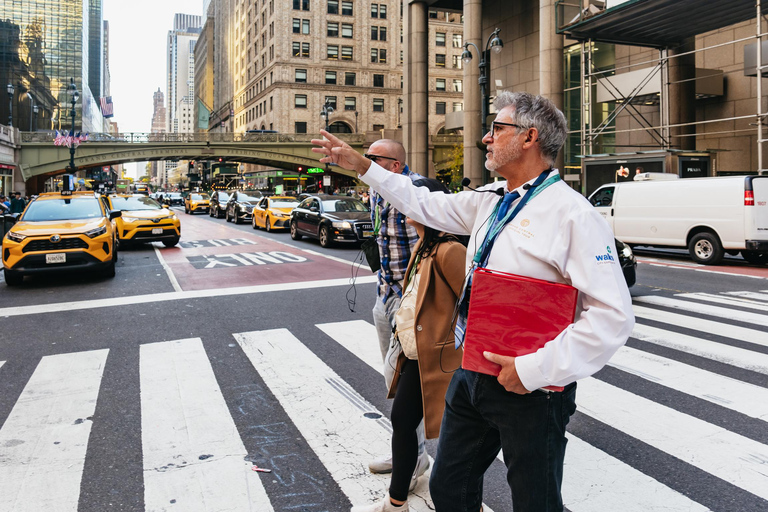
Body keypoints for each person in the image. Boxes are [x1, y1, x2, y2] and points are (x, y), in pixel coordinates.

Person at [312, 91, 634, 512]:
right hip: (472, 373)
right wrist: (364, 167)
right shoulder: (491, 200)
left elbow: (612, 316)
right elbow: (423, 202)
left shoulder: (574, 215)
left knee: (535, 501)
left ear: (529, 137)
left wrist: (532, 369)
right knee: (449, 487)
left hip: (533, 388)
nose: (485, 138)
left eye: (496, 128)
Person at [352, 178, 466, 512]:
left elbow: (472, 305)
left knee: (455, 437)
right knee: (403, 421)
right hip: (415, 354)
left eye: (410, 206)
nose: (403, 214)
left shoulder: (450, 249)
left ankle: (462, 502)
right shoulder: (424, 245)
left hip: (443, 360)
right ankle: (396, 502)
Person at [364, 139, 430, 484]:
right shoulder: (377, 192)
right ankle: (408, 449)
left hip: (411, 303)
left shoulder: (415, 190)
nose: (365, 164)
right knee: (393, 379)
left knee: (410, 384)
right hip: (383, 295)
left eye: (371, 159)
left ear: (393, 165)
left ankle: (415, 456)